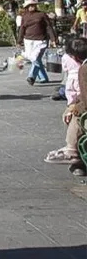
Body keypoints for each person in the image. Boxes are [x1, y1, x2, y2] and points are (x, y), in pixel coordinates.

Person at [45, 37, 87, 166]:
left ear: (73, 57)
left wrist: (73, 108)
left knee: (76, 115)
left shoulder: (84, 69)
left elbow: (86, 100)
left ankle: (72, 151)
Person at [18, 0, 57, 86]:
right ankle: (43, 77)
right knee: (35, 59)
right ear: (26, 7)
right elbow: (22, 28)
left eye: (33, 5)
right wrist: (19, 41)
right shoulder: (24, 16)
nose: (32, 7)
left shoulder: (42, 15)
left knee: (35, 58)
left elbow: (48, 27)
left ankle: (31, 77)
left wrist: (53, 39)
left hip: (41, 40)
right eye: (30, 5)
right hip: (28, 40)